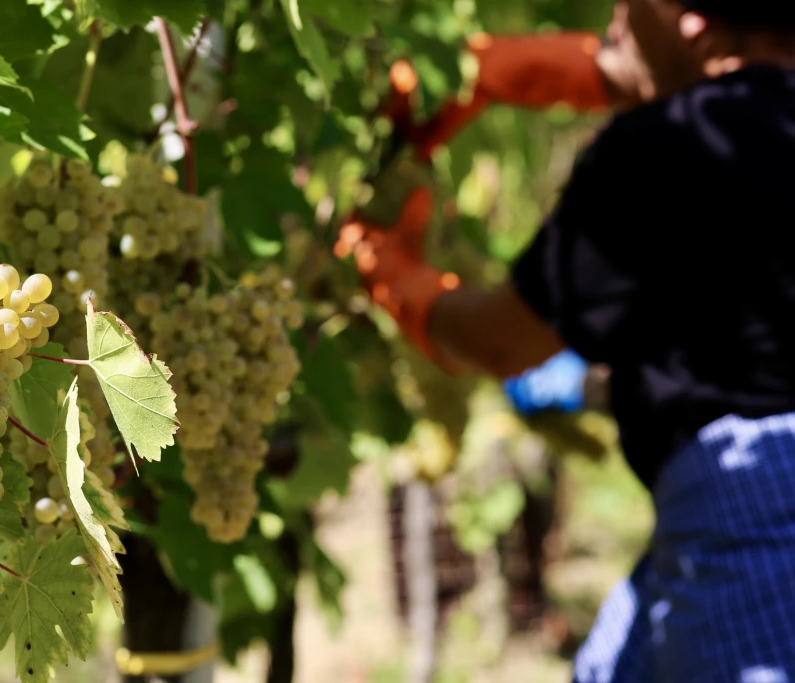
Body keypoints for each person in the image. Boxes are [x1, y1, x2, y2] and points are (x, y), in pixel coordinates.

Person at [338, 1, 795, 680]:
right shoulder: (742, 125)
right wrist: (492, 71)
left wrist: (390, 270)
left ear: (692, 21)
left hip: (754, 523)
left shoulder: (669, 143)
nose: (611, 17)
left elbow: (501, 343)